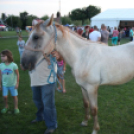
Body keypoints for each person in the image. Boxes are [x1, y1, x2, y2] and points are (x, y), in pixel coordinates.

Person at [20, 19, 58, 134]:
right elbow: (27, 51)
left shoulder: (50, 38)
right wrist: (24, 63)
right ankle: (40, 116)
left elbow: (59, 55)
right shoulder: (33, 37)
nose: (34, 26)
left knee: (48, 103)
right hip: (34, 76)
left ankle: (51, 125)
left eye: (36, 24)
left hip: (47, 77)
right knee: (37, 100)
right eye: (33, 25)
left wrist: (58, 54)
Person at [0, 50, 19, 114]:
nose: (1, 57)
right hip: (5, 85)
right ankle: (6, 106)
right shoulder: (1, 65)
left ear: (8, 56)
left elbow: (17, 74)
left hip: (13, 84)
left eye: (3, 56)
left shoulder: (14, 65)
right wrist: (0, 84)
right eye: (1, 56)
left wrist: (17, 83)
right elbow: (0, 75)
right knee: (5, 96)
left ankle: (16, 108)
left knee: (14, 96)